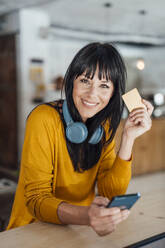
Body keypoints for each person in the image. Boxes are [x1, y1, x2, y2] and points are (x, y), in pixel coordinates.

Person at [7, 42, 153, 236]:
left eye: (104, 85)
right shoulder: (43, 119)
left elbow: (111, 194)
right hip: (31, 230)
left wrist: (128, 138)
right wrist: (87, 216)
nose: (92, 94)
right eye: (85, 80)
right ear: (72, 81)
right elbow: (36, 200)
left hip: (76, 228)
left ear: (113, 93)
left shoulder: (105, 126)